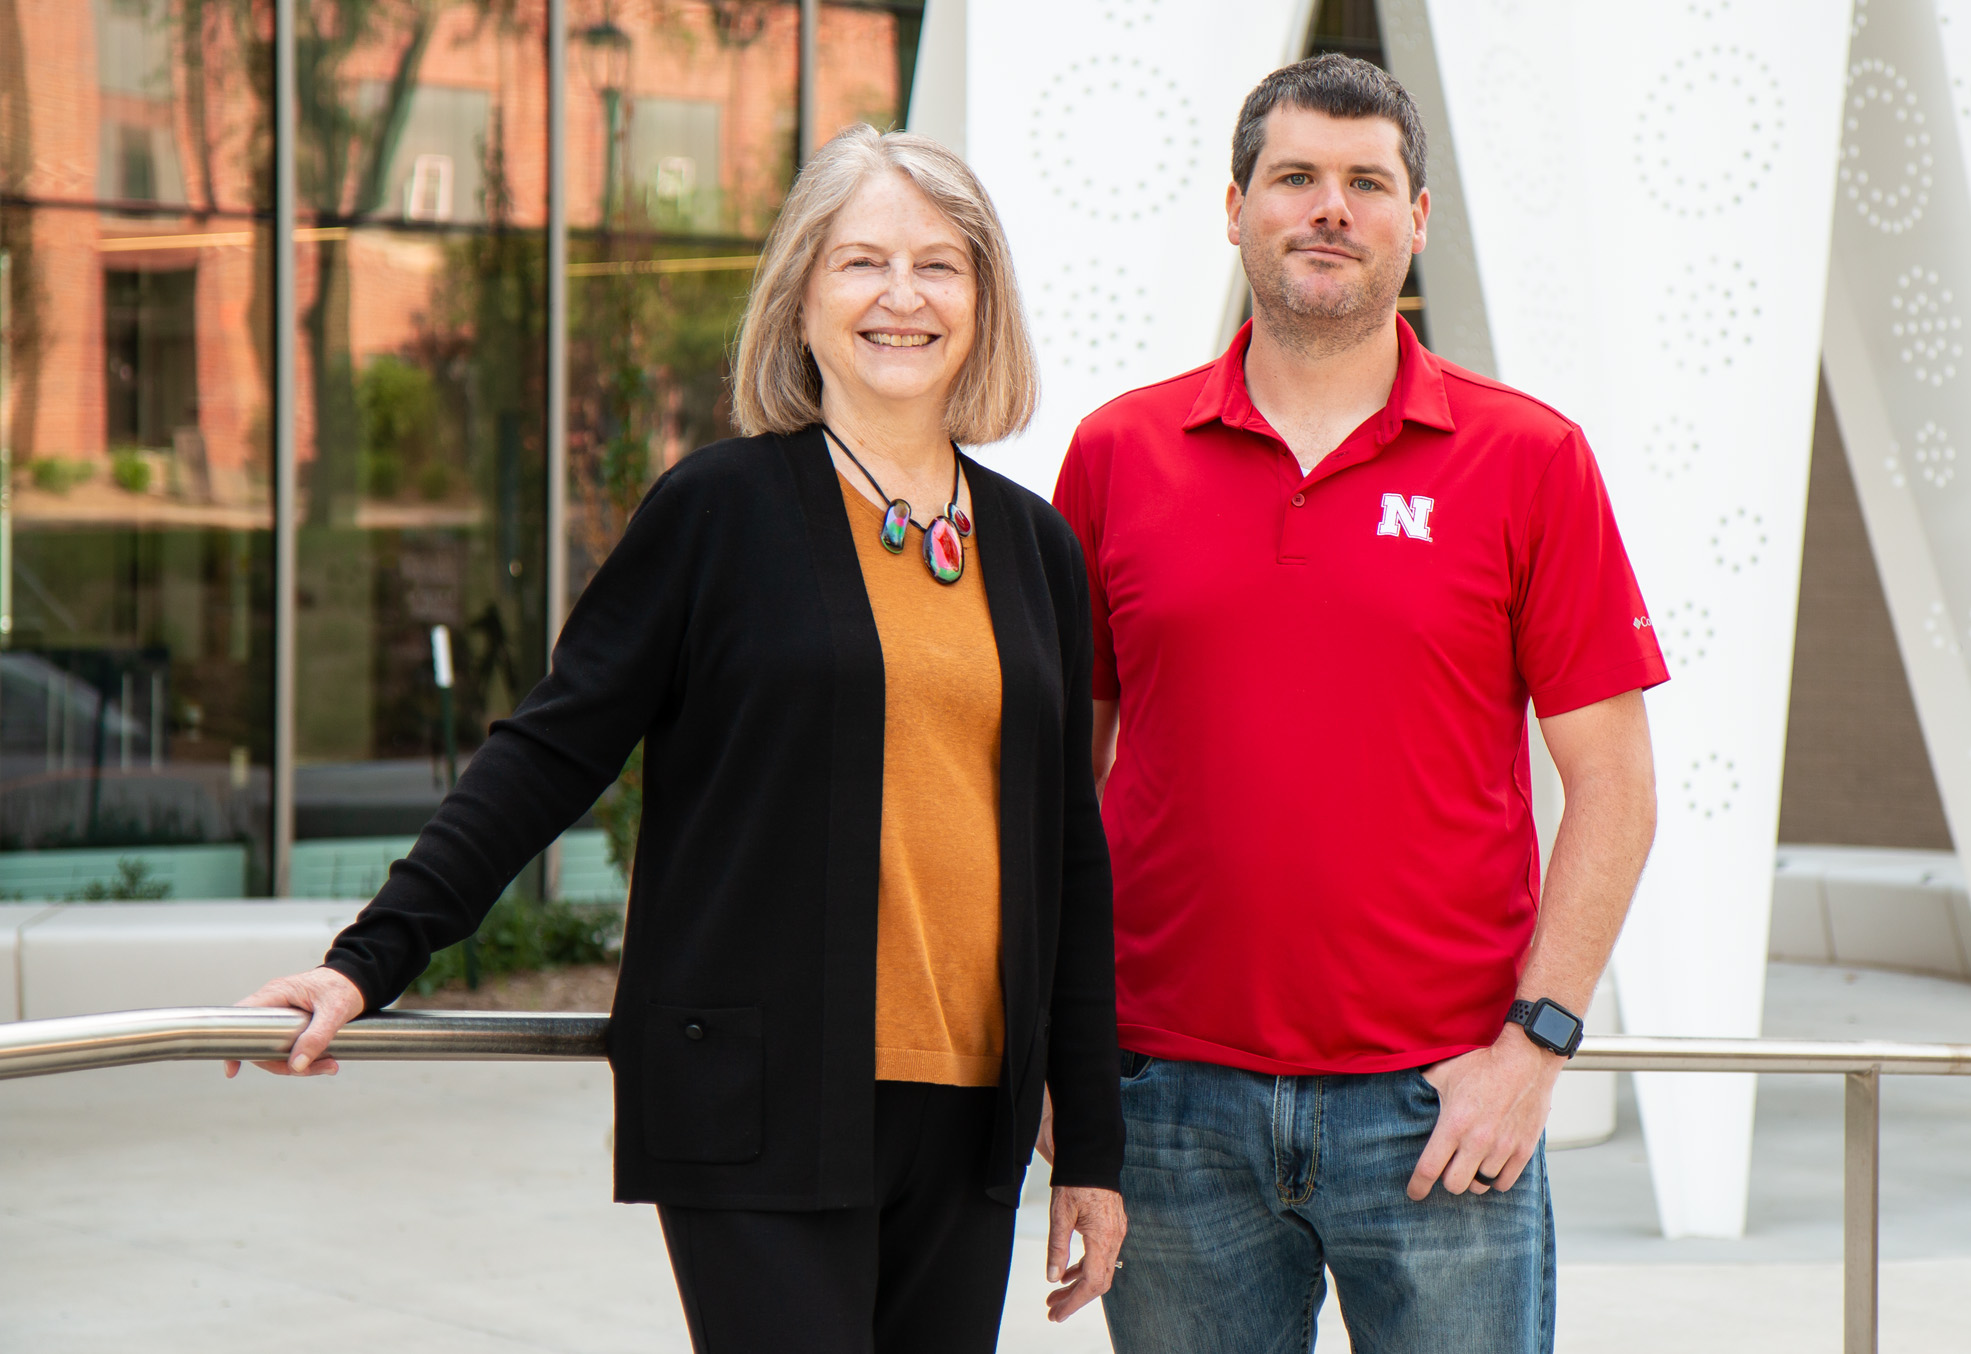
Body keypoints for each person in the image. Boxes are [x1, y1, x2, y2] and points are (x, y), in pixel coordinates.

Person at [229, 124, 1126, 1354]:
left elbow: (1067, 851)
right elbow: (549, 751)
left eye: (939, 265)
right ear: (801, 295)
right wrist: (369, 957)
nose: (901, 297)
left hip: (968, 1117)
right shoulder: (719, 510)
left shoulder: (1033, 547)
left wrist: (1094, 1140)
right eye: (861, 262)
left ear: (983, 301)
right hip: (757, 1100)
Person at [1049, 55, 1663, 1354]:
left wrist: (1536, 1047)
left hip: (1443, 1105)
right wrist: (1065, 1052)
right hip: (1168, 1102)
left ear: (1416, 220)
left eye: (1367, 183)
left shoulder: (1530, 459)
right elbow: (1055, 780)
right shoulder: (1116, 454)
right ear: (1235, 208)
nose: (1331, 207)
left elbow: (1614, 782)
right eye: (1296, 177)